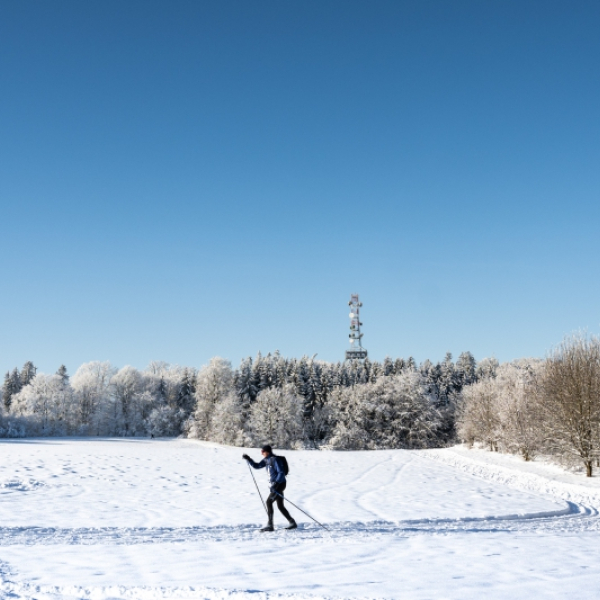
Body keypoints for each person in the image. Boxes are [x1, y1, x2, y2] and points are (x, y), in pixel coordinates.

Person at [243, 444, 297, 532]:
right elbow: (257, 466)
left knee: (269, 502)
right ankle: (292, 522)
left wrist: (276, 484)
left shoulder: (275, 460)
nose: (262, 453)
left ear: (267, 452)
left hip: (280, 484)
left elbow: (281, 472)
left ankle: (270, 525)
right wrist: (249, 459)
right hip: (275, 485)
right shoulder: (266, 460)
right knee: (280, 506)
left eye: (263, 452)